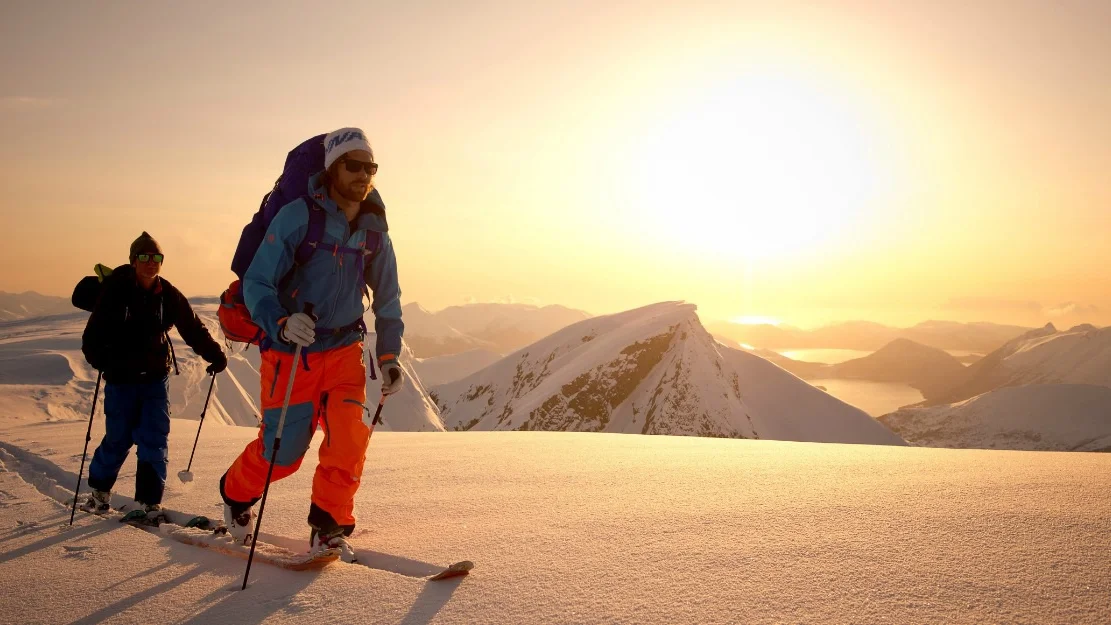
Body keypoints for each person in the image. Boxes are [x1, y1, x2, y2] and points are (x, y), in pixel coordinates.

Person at [219, 127, 405, 561]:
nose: (363, 174)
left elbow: (389, 298)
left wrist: (390, 355)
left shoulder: (374, 230)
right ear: (332, 169)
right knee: (281, 454)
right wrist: (281, 323)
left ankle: (328, 527)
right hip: (292, 353)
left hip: (344, 351)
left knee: (348, 440)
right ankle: (234, 492)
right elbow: (257, 283)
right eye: (353, 165)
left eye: (370, 167)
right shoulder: (298, 217)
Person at [80, 232, 227, 518]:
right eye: (145, 257)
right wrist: (102, 360)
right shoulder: (115, 291)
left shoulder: (168, 294)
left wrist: (214, 354)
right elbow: (92, 336)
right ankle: (99, 490)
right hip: (121, 379)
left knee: (154, 437)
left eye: (156, 258)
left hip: (155, 379)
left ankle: (149, 502)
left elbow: (192, 327)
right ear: (134, 261)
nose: (151, 263)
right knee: (118, 438)